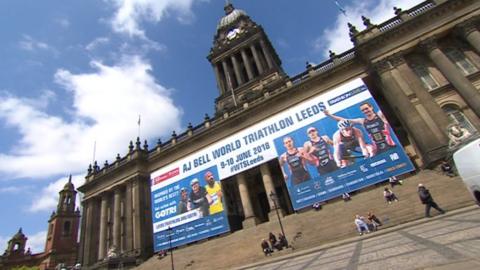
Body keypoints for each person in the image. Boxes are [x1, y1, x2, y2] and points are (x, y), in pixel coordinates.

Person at [324, 103, 395, 155]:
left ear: (371, 107)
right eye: (363, 110)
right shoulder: (362, 121)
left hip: (390, 146)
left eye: (366, 108)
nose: (365, 111)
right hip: (378, 150)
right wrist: (329, 115)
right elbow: (343, 120)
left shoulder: (380, 115)